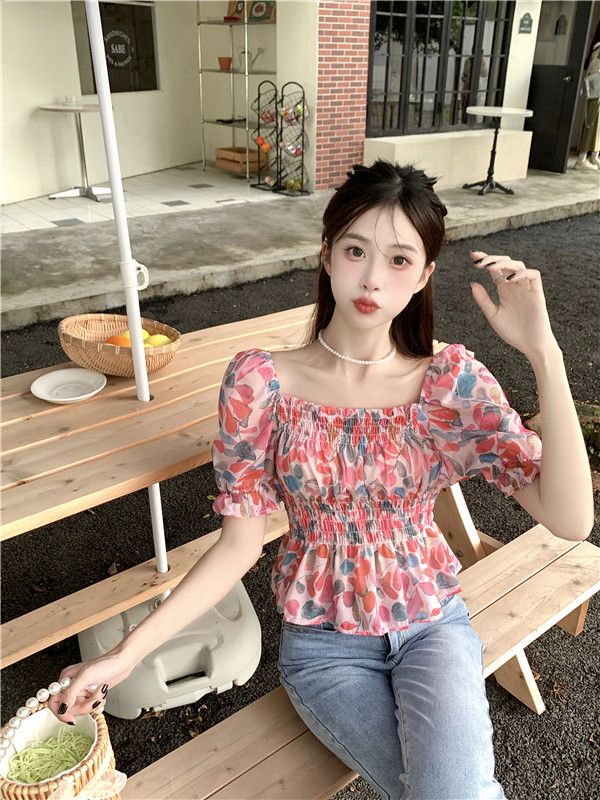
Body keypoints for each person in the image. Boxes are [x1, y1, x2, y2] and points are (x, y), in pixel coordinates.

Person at [49, 161, 593, 800]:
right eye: (356, 250)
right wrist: (125, 655)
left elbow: (570, 520)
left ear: (423, 276)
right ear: (327, 254)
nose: (371, 278)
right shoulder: (260, 383)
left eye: (399, 260)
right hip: (325, 648)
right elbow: (237, 546)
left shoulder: (448, 385)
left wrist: (544, 352)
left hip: (433, 627)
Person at [574, 30, 600, 171]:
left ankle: (594, 156)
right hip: (596, 90)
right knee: (591, 123)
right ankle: (582, 159)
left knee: (597, 125)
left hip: (595, 89)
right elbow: (595, 71)